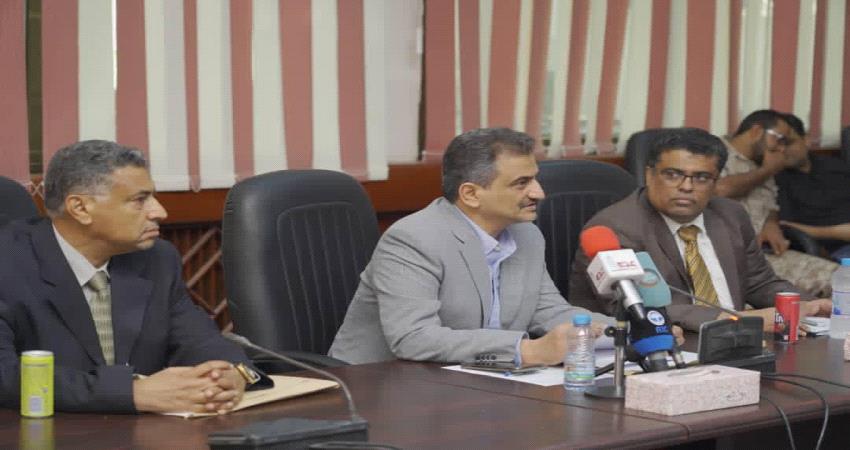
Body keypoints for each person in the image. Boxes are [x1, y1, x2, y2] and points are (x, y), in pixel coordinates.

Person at [0, 140, 266, 414]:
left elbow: (199, 341)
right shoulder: (8, 263)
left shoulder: (156, 258)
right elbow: (4, 376)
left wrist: (233, 373)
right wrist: (131, 392)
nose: (160, 212)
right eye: (140, 200)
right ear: (80, 208)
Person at [329, 128, 616, 366]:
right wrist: (528, 351)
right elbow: (413, 338)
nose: (539, 192)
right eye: (522, 183)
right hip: (378, 386)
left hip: (471, 382)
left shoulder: (527, 235)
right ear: (470, 194)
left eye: (535, 178)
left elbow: (549, 311)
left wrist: (621, 331)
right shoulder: (413, 239)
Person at [568, 128, 831, 332]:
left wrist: (807, 304)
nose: (686, 186)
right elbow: (636, 307)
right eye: (673, 174)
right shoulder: (614, 228)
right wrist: (739, 320)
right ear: (649, 175)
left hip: (737, 340)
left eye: (701, 178)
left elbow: (759, 282)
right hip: (662, 343)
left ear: (716, 182)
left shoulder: (730, 215)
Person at [715, 109, 837, 297]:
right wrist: (767, 170)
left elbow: (771, 202)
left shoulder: (762, 160)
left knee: (840, 278)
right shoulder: (716, 152)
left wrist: (771, 223)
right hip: (730, 255)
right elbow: (719, 191)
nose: (782, 149)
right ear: (756, 131)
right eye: (781, 139)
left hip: (767, 252)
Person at [775, 113, 850, 260]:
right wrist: (836, 232)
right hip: (832, 251)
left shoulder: (836, 165)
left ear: (806, 140)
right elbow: (786, 226)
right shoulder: (777, 180)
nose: (782, 150)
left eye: (788, 143)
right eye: (776, 145)